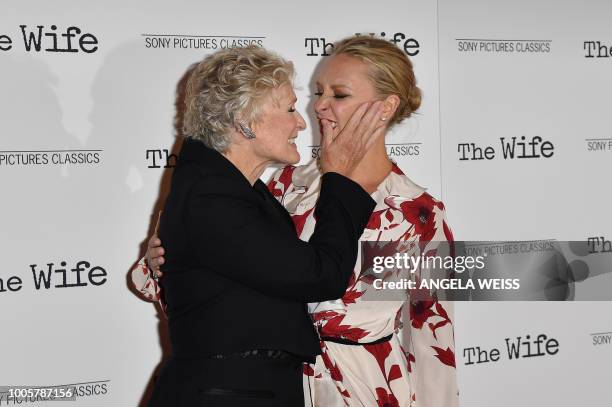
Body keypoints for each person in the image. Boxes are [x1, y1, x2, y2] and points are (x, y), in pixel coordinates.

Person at [138, 36, 459, 406]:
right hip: (273, 387)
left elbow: (433, 337)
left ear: (385, 108)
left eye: (339, 95)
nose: (319, 107)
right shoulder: (286, 186)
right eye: (317, 92)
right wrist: (160, 258)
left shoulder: (416, 212)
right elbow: (209, 284)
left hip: (364, 389)